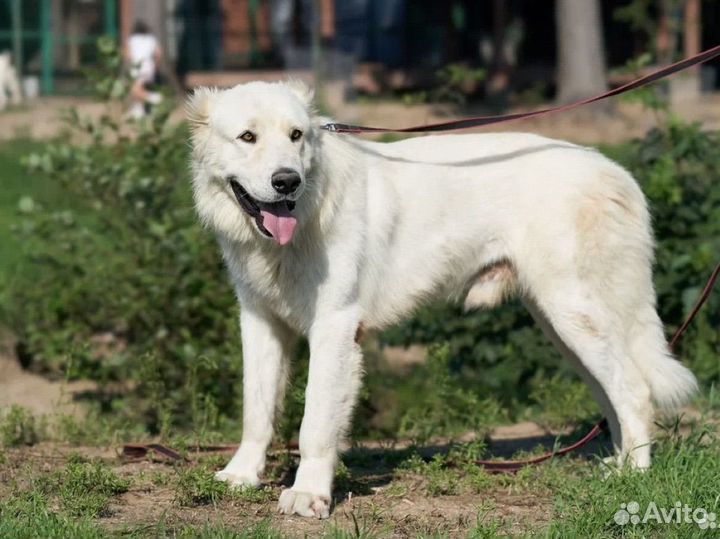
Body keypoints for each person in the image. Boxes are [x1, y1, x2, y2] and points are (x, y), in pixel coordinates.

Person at [125, 20, 163, 119]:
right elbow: (159, 53)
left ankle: (154, 98)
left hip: (138, 66)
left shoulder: (132, 39)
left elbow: (128, 55)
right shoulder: (151, 39)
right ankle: (139, 111)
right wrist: (156, 66)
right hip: (149, 66)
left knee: (134, 90)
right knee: (140, 88)